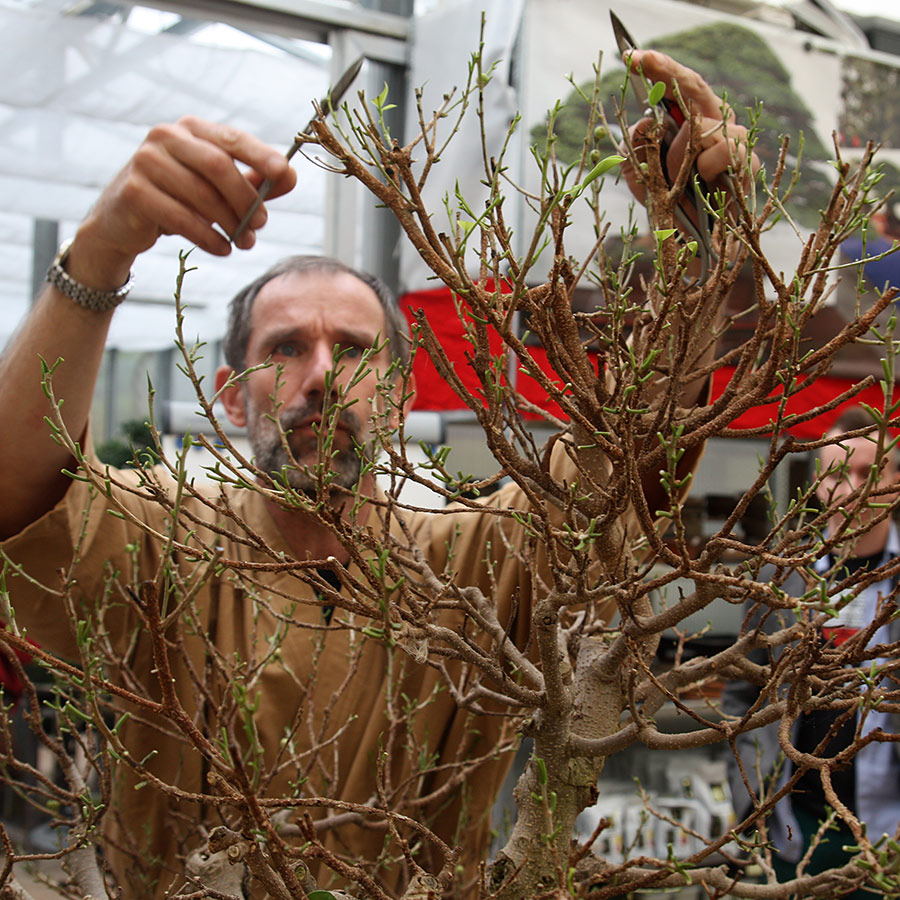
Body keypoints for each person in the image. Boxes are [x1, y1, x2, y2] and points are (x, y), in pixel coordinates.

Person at [0, 52, 749, 899]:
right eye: (284, 348)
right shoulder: (161, 542)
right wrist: (103, 248)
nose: (321, 375)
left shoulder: (470, 564)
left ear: (397, 399)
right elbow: (21, 500)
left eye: (354, 352)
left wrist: (699, 247)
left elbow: (621, 477)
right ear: (231, 397)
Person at [722, 406, 900, 899]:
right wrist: (751, 796)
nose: (853, 490)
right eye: (839, 474)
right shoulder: (778, 581)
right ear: (818, 484)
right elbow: (744, 696)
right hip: (793, 830)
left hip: (890, 831)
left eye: (870, 473)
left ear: (896, 482)